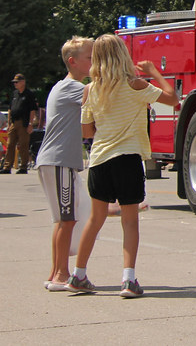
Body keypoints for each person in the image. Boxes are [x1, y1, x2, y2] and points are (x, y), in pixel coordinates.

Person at [67, 34, 176, 298]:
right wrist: (153, 72)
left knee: (95, 219)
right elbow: (173, 99)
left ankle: (78, 274)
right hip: (127, 158)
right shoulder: (136, 85)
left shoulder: (90, 89)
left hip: (99, 160)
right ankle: (128, 280)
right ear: (122, 56)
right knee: (129, 222)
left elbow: (87, 130)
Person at [36, 36, 94, 291]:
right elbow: (102, 91)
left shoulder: (65, 87)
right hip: (59, 160)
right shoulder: (74, 88)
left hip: (56, 161)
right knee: (66, 219)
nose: (95, 63)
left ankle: (56, 272)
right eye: (90, 58)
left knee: (63, 220)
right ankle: (61, 275)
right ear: (73, 62)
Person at [1, 73, 39, 174]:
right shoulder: (14, 94)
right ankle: (7, 167)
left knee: (23, 145)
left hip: (24, 122)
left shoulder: (29, 94)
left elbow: (32, 110)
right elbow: (10, 108)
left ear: (23, 82)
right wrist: (9, 123)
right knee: (10, 144)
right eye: (14, 82)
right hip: (14, 122)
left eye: (17, 82)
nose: (15, 84)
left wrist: (31, 123)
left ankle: (23, 167)